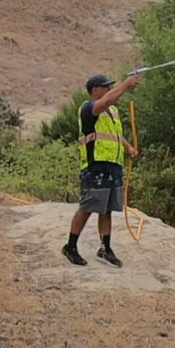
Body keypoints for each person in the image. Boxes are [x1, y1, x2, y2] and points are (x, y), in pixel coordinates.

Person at [62, 72, 140, 267]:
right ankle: (70, 246)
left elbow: (113, 135)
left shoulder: (112, 112)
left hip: (112, 166)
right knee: (88, 207)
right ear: (94, 90)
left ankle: (105, 248)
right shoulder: (89, 108)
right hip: (95, 165)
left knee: (106, 210)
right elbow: (104, 102)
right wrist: (124, 85)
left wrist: (128, 147)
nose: (108, 89)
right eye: (105, 87)